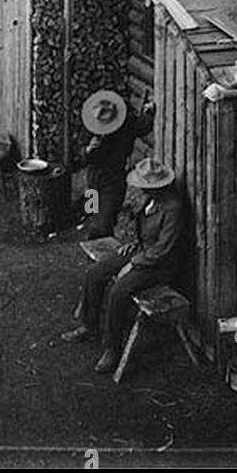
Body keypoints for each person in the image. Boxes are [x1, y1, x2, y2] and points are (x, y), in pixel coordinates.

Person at [62, 159, 187, 373]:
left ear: (157, 185)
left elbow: (163, 250)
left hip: (159, 267)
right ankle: (89, 325)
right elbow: (146, 233)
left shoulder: (173, 208)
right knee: (95, 273)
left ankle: (112, 348)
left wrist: (133, 264)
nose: (140, 188)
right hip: (142, 253)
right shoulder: (151, 200)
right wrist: (134, 246)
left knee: (118, 290)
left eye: (144, 185)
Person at [80, 89, 153, 240]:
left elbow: (144, 126)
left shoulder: (127, 122)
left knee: (106, 219)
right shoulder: (91, 124)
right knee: (91, 209)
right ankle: (91, 233)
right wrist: (87, 149)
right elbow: (79, 155)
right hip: (93, 176)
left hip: (114, 178)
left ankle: (103, 250)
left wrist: (149, 112)